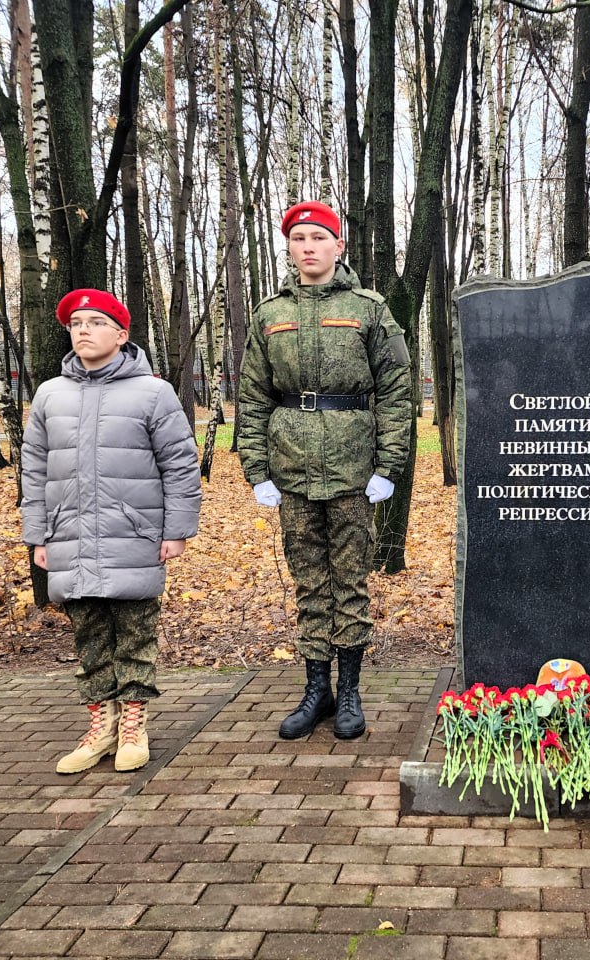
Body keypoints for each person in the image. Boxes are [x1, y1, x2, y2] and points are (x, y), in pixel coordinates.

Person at [237, 201, 412, 741]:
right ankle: (318, 690)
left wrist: (388, 464)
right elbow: (253, 396)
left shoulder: (369, 309)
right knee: (309, 583)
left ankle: (351, 690)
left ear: (339, 246)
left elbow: (396, 391)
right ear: (289, 248)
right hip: (292, 469)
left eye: (318, 237)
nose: (308, 247)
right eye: (298, 238)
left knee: (351, 582)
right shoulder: (269, 315)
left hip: (353, 469)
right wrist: (257, 469)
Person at [21, 289, 202, 774]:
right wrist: (38, 534)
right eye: (76, 324)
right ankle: (102, 727)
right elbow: (34, 471)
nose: (84, 330)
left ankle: (133, 727)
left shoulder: (153, 394)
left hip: (135, 535)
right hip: (70, 537)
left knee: (135, 635)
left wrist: (177, 529)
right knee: (90, 638)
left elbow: (180, 465)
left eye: (96, 323)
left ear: (122, 336)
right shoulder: (50, 395)